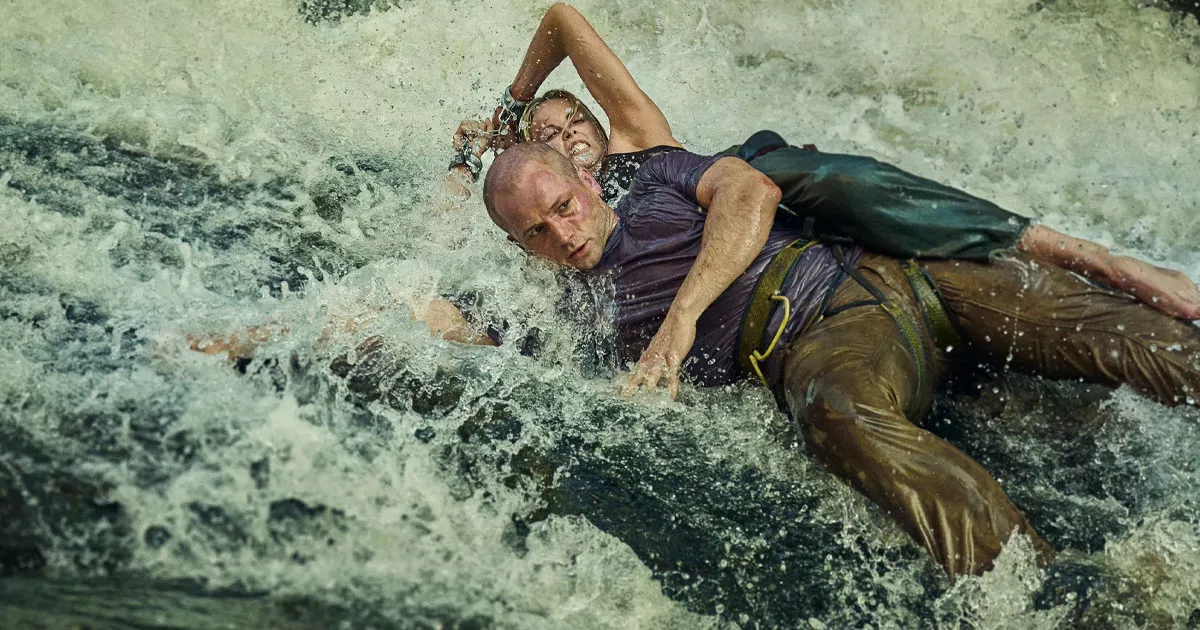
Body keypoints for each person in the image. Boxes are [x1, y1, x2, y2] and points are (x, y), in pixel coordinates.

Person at [481, 141, 1200, 578]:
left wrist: (681, 320)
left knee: (1147, 341)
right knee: (836, 414)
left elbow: (749, 189)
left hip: (896, 267)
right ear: (521, 247)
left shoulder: (657, 177)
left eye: (563, 206)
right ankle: (1040, 587)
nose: (562, 233)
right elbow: (465, 332)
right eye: (536, 232)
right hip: (827, 345)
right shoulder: (571, 314)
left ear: (586, 179)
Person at [445, 3, 1200, 321]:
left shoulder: (638, 138)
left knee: (820, 174)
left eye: (575, 120)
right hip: (761, 293)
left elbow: (563, 17)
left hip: (759, 191)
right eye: (547, 132)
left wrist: (515, 106)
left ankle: (1089, 256)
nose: (570, 135)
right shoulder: (549, 234)